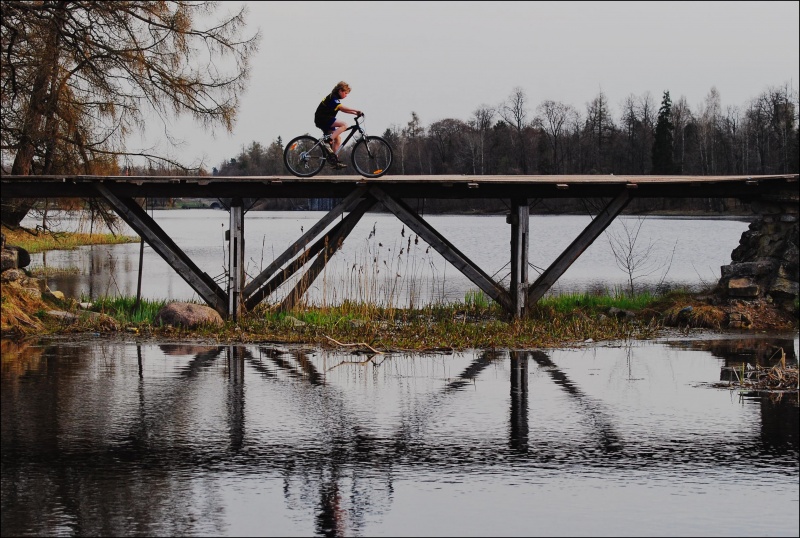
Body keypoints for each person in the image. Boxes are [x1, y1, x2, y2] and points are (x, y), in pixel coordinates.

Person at [314, 81, 362, 169]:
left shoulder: (334, 98)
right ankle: (327, 141)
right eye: (345, 93)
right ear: (340, 91)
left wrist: (355, 113)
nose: (346, 95)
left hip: (324, 119)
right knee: (344, 125)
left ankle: (334, 161)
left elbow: (343, 109)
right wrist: (356, 110)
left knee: (338, 139)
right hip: (323, 119)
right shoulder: (333, 97)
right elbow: (341, 107)